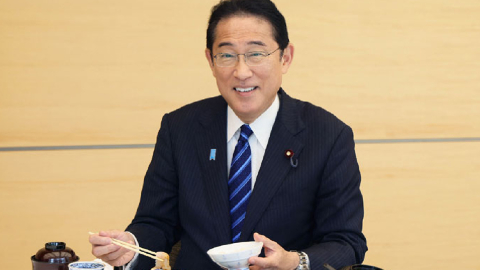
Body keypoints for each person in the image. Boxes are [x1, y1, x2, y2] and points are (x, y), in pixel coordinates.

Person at [89, 0, 367, 269]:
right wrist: (130, 246)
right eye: (227, 55)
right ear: (211, 60)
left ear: (286, 57)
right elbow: (156, 223)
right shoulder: (180, 128)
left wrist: (295, 262)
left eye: (256, 54)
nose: (242, 71)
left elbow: (346, 241)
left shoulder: (328, 135)